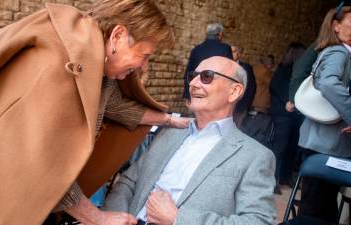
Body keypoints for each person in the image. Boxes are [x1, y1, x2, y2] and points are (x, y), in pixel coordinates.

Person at [0, 1, 190, 225]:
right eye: (144, 55)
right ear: (118, 36)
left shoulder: (90, 63)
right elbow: (46, 164)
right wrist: (98, 218)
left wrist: (170, 120)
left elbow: (115, 106)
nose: (143, 67)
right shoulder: (60, 65)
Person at [103, 56, 277, 225]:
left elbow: (258, 220)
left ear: (234, 92)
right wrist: (114, 216)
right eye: (193, 76)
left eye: (206, 77)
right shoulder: (169, 133)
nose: (193, 83)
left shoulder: (254, 156)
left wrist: (179, 219)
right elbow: (128, 182)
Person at [298, 4, 351, 223]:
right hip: (325, 145)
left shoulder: (333, 51)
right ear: (335, 26)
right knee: (316, 212)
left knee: (320, 209)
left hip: (321, 142)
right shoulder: (339, 51)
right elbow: (329, 84)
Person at [269, 42, 305, 192]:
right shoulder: (283, 69)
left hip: (296, 115)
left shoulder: (299, 72)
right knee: (280, 149)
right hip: (283, 115)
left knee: (292, 147)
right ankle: (273, 180)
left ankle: (286, 176)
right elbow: (277, 88)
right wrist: (288, 101)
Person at [182, 22, 233, 100]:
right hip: (215, 94)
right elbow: (229, 73)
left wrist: (188, 94)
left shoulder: (196, 49)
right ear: (220, 34)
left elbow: (188, 73)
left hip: (197, 92)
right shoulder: (225, 49)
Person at [231, 44, 256, 126]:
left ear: (239, 54)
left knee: (236, 130)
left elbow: (251, 87)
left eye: (234, 51)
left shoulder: (246, 68)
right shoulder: (222, 66)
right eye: (229, 51)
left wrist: (246, 104)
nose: (231, 53)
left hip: (240, 107)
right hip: (223, 106)